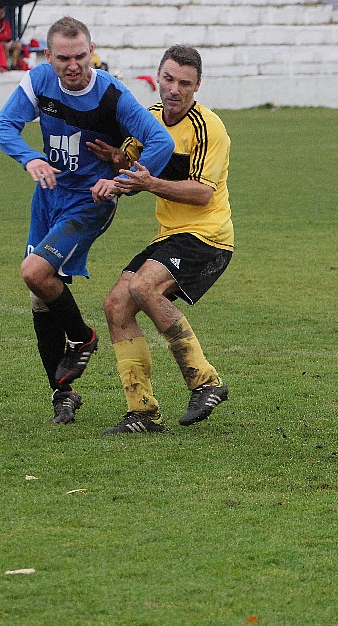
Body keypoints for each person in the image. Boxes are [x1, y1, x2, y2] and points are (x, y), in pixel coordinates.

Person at [0, 17, 175, 425]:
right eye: (63, 58)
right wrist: (31, 157)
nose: (73, 65)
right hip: (48, 199)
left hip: (88, 203)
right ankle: (63, 394)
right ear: (48, 56)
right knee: (40, 295)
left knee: (34, 272)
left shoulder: (111, 94)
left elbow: (161, 142)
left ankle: (82, 336)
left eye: (80, 56)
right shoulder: (39, 81)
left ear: (91, 51)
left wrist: (122, 182)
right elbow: (3, 126)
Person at [86, 45, 233, 435]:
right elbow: (133, 167)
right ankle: (143, 412)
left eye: (185, 83)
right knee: (116, 305)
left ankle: (206, 382)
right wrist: (117, 161)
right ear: (158, 78)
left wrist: (149, 182)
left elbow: (202, 193)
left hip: (208, 236)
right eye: (168, 79)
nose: (174, 89)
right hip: (170, 235)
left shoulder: (209, 127)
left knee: (143, 286)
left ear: (197, 86)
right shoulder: (149, 120)